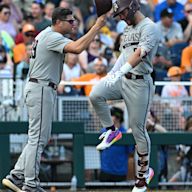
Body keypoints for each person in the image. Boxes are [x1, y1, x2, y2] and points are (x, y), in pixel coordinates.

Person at [2, 7, 106, 192]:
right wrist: (97, 26)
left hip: (40, 87)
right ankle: (30, 184)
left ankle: (17, 175)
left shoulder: (48, 34)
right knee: (37, 138)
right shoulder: (51, 36)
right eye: (70, 21)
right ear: (58, 22)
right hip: (41, 88)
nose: (74, 23)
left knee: (40, 137)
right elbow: (78, 48)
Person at [89, 0, 160, 191]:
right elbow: (124, 54)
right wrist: (114, 73)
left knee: (138, 130)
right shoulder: (127, 29)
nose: (120, 17)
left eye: (121, 12)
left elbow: (139, 53)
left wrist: (120, 73)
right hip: (124, 79)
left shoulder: (150, 27)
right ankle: (112, 130)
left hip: (140, 82)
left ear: (133, 7)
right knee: (96, 94)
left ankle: (144, 175)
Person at [100, 106, 134, 182]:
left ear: (118, 118)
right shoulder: (103, 131)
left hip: (120, 172)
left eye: (111, 115)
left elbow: (130, 152)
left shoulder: (126, 133)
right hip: (105, 171)